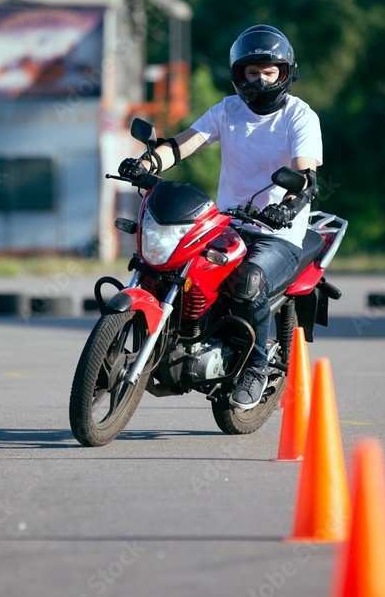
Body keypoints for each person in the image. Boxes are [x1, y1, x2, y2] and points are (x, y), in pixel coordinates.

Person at [117, 24, 323, 410]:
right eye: (251, 71)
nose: (260, 79)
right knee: (173, 268)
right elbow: (183, 144)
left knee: (248, 282)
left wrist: (289, 204)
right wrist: (147, 161)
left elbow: (305, 173)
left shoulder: (300, 117)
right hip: (227, 222)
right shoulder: (227, 110)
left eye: (269, 71)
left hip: (278, 232)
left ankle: (257, 369)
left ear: (285, 73)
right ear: (238, 74)